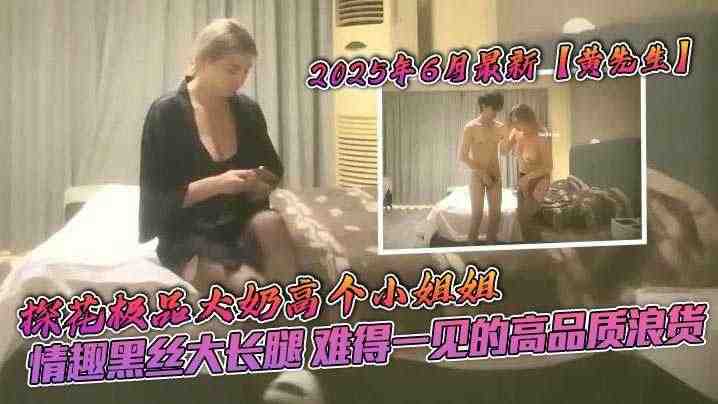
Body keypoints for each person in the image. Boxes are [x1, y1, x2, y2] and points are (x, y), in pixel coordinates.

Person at [138, 18, 299, 293]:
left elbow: (272, 168)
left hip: (239, 223)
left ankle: (297, 309)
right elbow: (156, 202)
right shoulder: (166, 114)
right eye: (232, 69)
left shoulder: (247, 110)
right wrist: (218, 184)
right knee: (250, 287)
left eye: (246, 71)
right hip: (189, 233)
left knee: (271, 223)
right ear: (203, 61)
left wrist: (259, 182)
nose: (241, 79)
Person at [458, 91, 506, 243]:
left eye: (498, 109)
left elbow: (505, 151)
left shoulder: (500, 127)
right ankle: (471, 245)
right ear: (484, 106)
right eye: (493, 108)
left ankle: (491, 245)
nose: (496, 113)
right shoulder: (471, 127)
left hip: (495, 175)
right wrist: (482, 173)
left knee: (496, 215)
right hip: (478, 176)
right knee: (477, 215)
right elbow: (462, 156)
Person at [501, 103, 553, 242]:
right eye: (514, 124)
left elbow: (548, 166)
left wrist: (528, 178)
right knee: (521, 218)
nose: (516, 128)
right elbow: (503, 151)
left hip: (540, 179)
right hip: (523, 177)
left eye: (518, 124)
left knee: (526, 216)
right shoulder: (516, 131)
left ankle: (538, 247)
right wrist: (507, 130)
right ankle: (530, 246)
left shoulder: (542, 134)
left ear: (529, 120)